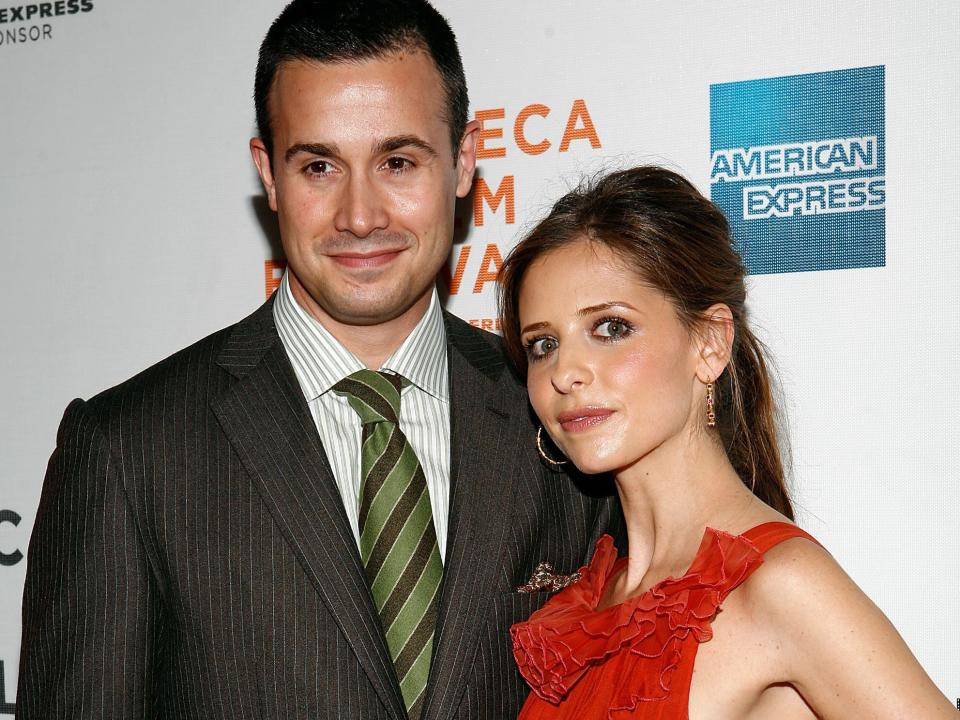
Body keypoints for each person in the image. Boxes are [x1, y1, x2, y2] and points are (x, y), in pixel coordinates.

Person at [16, 2, 620, 718]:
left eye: (398, 161)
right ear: (267, 173)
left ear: (463, 160)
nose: (360, 216)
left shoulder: (562, 414)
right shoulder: (127, 449)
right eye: (319, 166)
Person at [498, 166, 956, 719]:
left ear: (710, 344)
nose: (565, 372)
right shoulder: (591, 598)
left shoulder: (783, 586)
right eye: (543, 344)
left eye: (611, 328)